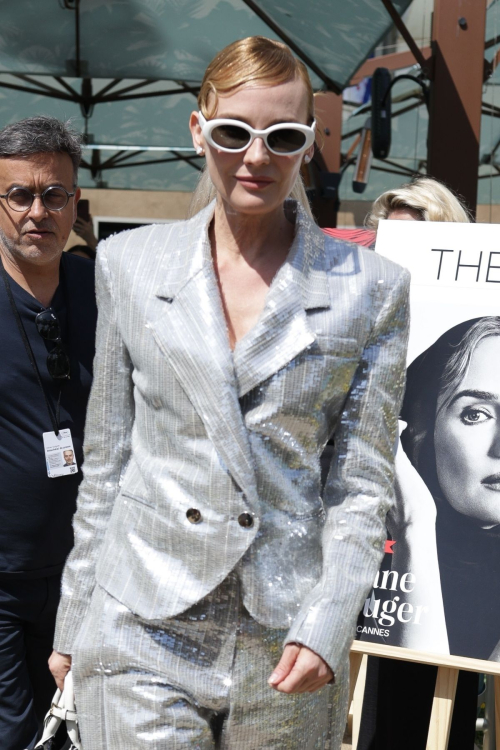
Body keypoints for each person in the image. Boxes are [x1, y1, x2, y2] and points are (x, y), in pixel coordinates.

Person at [50, 36, 409, 749]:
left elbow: (362, 484)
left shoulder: (371, 288)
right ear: (198, 131)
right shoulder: (128, 263)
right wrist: (73, 620)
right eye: (233, 132)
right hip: (140, 624)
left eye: (281, 136)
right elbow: (108, 461)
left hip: (285, 640)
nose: (255, 157)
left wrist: (332, 621)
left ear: (307, 142)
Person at [357, 177, 479, 750]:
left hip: (454, 571)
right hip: (360, 560)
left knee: (437, 711)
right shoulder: (356, 327)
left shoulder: (471, 350)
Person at [0, 116, 97, 750]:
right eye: (19, 195)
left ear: (76, 204)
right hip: (2, 582)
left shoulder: (104, 293)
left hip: (84, 579)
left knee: (75, 737)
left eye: (55, 194)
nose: (39, 211)